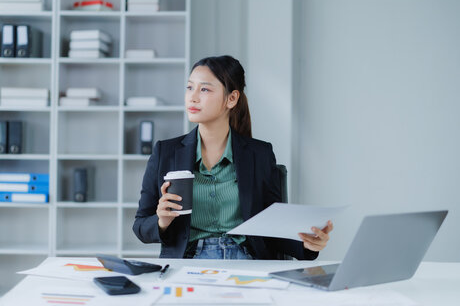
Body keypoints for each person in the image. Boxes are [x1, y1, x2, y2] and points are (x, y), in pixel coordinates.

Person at [133, 55, 333, 260]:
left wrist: (310, 245)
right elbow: (140, 226)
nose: (192, 97)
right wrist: (162, 221)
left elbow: (273, 231)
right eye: (189, 87)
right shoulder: (165, 153)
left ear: (232, 98)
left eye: (204, 89)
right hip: (188, 263)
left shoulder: (260, 154)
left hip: (246, 261)